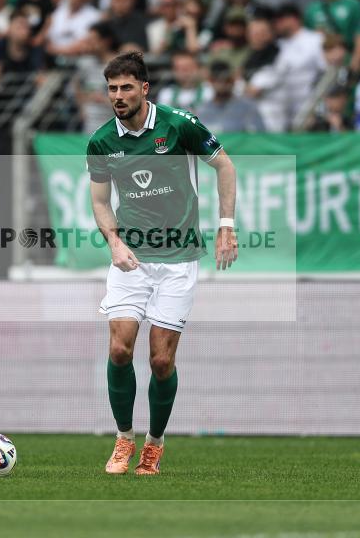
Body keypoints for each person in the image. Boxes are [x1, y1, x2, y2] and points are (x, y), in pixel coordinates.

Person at [87, 51, 237, 475]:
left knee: (160, 361)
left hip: (179, 260)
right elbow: (99, 201)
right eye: (112, 88)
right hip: (131, 259)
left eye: (126, 87)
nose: (118, 96)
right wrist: (113, 242)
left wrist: (226, 224)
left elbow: (224, 166)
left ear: (144, 88)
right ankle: (123, 439)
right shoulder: (102, 141)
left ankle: (154, 444)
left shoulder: (179, 125)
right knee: (119, 349)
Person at [197, 60, 266, 133]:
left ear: (233, 80)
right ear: (210, 81)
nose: (222, 84)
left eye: (227, 80)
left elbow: (260, 136)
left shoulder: (248, 107)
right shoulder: (202, 109)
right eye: (216, 80)